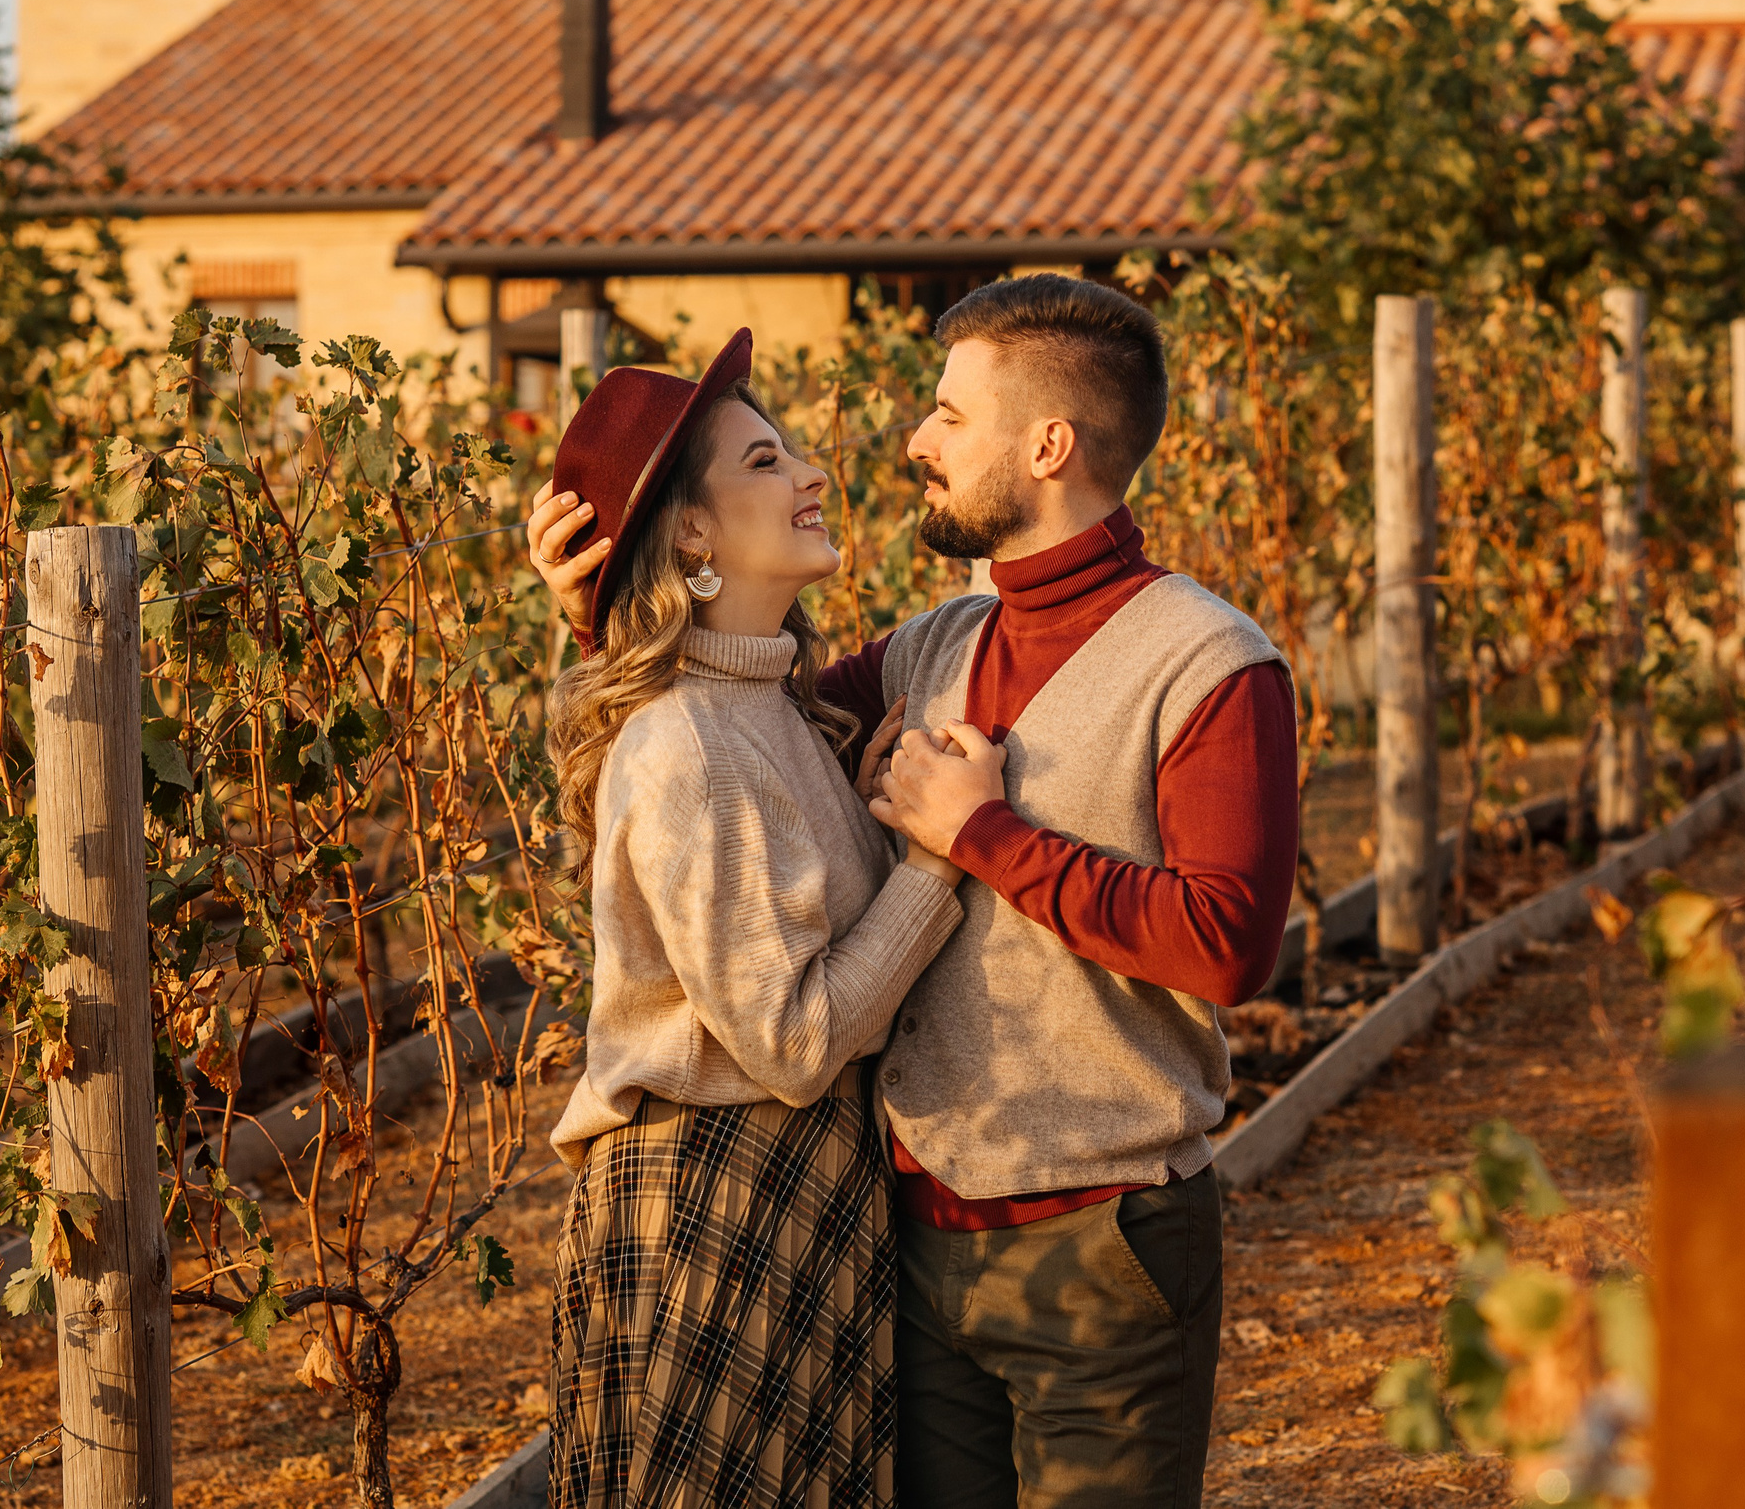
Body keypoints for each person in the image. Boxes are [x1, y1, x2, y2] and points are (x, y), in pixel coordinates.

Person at [530, 276, 1300, 1509]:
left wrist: (984, 833)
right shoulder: (932, 646)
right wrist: (609, 605)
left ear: (1046, 445)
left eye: (947, 413)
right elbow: (725, 743)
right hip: (910, 1236)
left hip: (1096, 1233)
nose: (912, 441)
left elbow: (1226, 946)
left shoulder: (1207, 665)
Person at [539, 328, 1003, 1509]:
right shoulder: (689, 740)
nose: (809, 474)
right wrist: (939, 859)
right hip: (712, 1201)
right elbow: (791, 1043)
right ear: (690, 532)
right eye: (762, 460)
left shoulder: (774, 708)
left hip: (791, 1194)